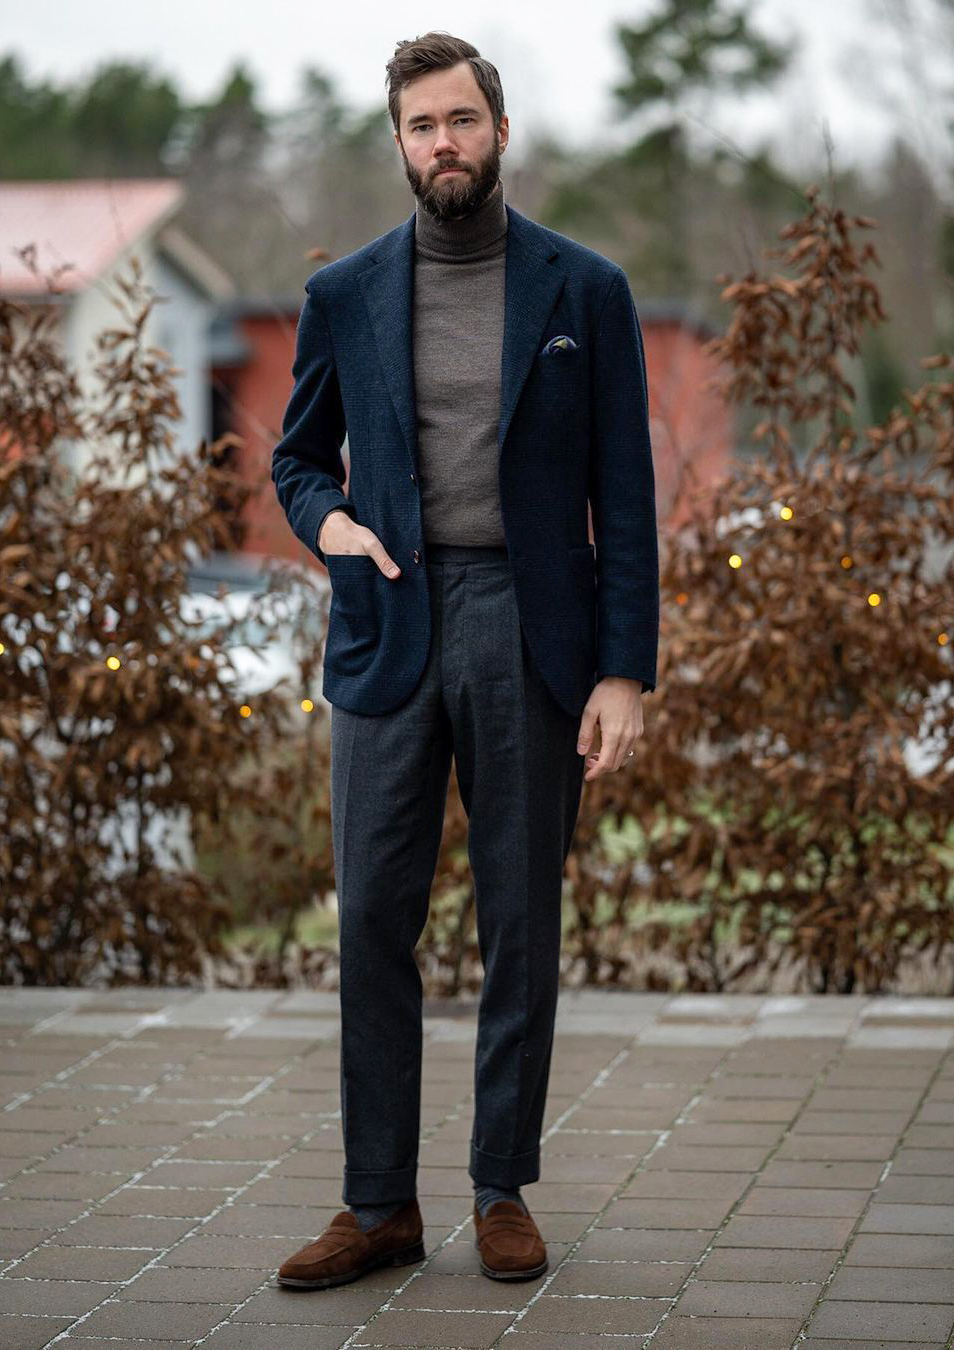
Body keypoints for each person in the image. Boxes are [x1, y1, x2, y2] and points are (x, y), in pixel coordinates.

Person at [271, 30, 659, 1290]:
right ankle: (378, 1201)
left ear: (499, 130)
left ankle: (502, 1188)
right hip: (389, 618)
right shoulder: (347, 294)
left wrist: (623, 670)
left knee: (519, 923)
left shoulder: (581, 290)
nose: (443, 144)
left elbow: (626, 496)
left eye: (461, 121)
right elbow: (294, 458)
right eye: (420, 126)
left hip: (530, 628)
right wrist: (329, 527)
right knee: (374, 918)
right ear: (398, 143)